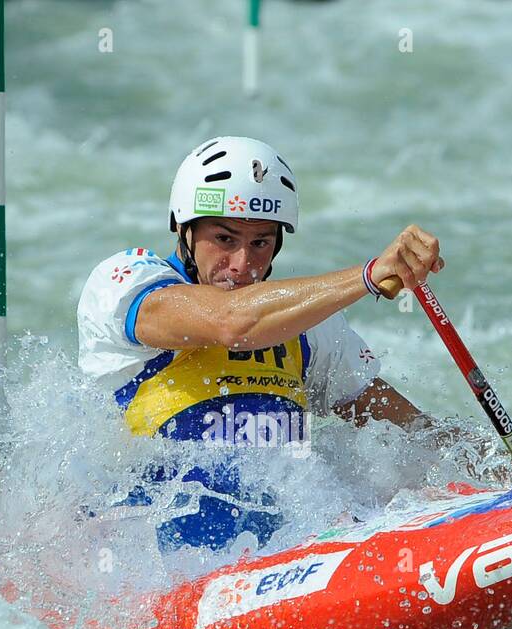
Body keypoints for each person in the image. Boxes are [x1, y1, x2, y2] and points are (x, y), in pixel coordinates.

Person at [76, 136, 461, 552]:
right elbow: (231, 322)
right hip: (158, 558)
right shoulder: (127, 284)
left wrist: (490, 467)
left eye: (260, 242)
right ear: (184, 229)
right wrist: (369, 274)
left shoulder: (304, 324)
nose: (243, 265)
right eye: (225, 239)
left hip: (285, 553)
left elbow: (411, 434)